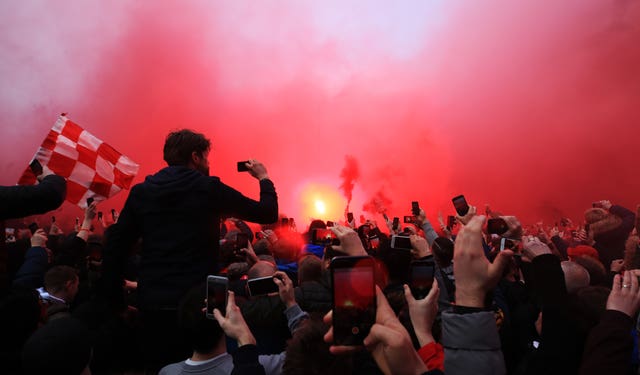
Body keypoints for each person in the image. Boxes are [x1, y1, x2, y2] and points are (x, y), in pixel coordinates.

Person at [101, 129, 278, 370]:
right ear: (195, 157)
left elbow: (115, 248)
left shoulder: (142, 192)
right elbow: (267, 213)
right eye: (206, 157)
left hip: (153, 304)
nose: (208, 163)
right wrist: (264, 177)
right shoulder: (208, 189)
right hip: (202, 304)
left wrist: (117, 304)